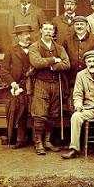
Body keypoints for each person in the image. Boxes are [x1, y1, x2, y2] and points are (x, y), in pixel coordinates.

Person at [61, 50, 94, 159]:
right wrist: (78, 104)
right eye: (89, 61)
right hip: (88, 108)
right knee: (75, 117)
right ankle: (74, 149)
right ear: (85, 63)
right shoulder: (81, 75)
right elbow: (77, 94)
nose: (92, 63)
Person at [29, 22, 70, 155]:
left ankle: (47, 141)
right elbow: (37, 62)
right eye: (45, 29)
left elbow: (66, 63)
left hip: (56, 84)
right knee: (40, 114)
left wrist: (54, 67)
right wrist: (53, 59)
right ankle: (38, 143)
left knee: (53, 114)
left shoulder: (59, 47)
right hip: (41, 83)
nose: (48, 32)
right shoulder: (34, 47)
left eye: (50, 30)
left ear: (53, 32)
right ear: (41, 30)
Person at [0, 24, 34, 148]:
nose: (28, 36)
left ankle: (37, 140)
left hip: (33, 84)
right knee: (19, 111)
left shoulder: (35, 48)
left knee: (36, 111)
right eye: (25, 34)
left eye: (29, 33)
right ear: (19, 36)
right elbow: (4, 70)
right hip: (18, 86)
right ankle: (20, 139)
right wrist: (12, 83)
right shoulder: (11, 50)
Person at [62, 16, 94, 88]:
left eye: (82, 24)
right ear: (73, 26)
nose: (79, 26)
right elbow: (63, 58)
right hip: (72, 78)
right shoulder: (67, 40)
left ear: (87, 25)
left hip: (90, 77)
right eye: (77, 24)